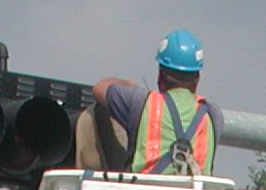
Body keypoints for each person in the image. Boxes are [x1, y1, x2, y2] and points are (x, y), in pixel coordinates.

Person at [76, 29, 221, 176]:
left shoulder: (140, 102)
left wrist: (128, 84)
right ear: (197, 79)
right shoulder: (212, 115)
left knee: (91, 114)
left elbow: (99, 88)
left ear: (160, 74)